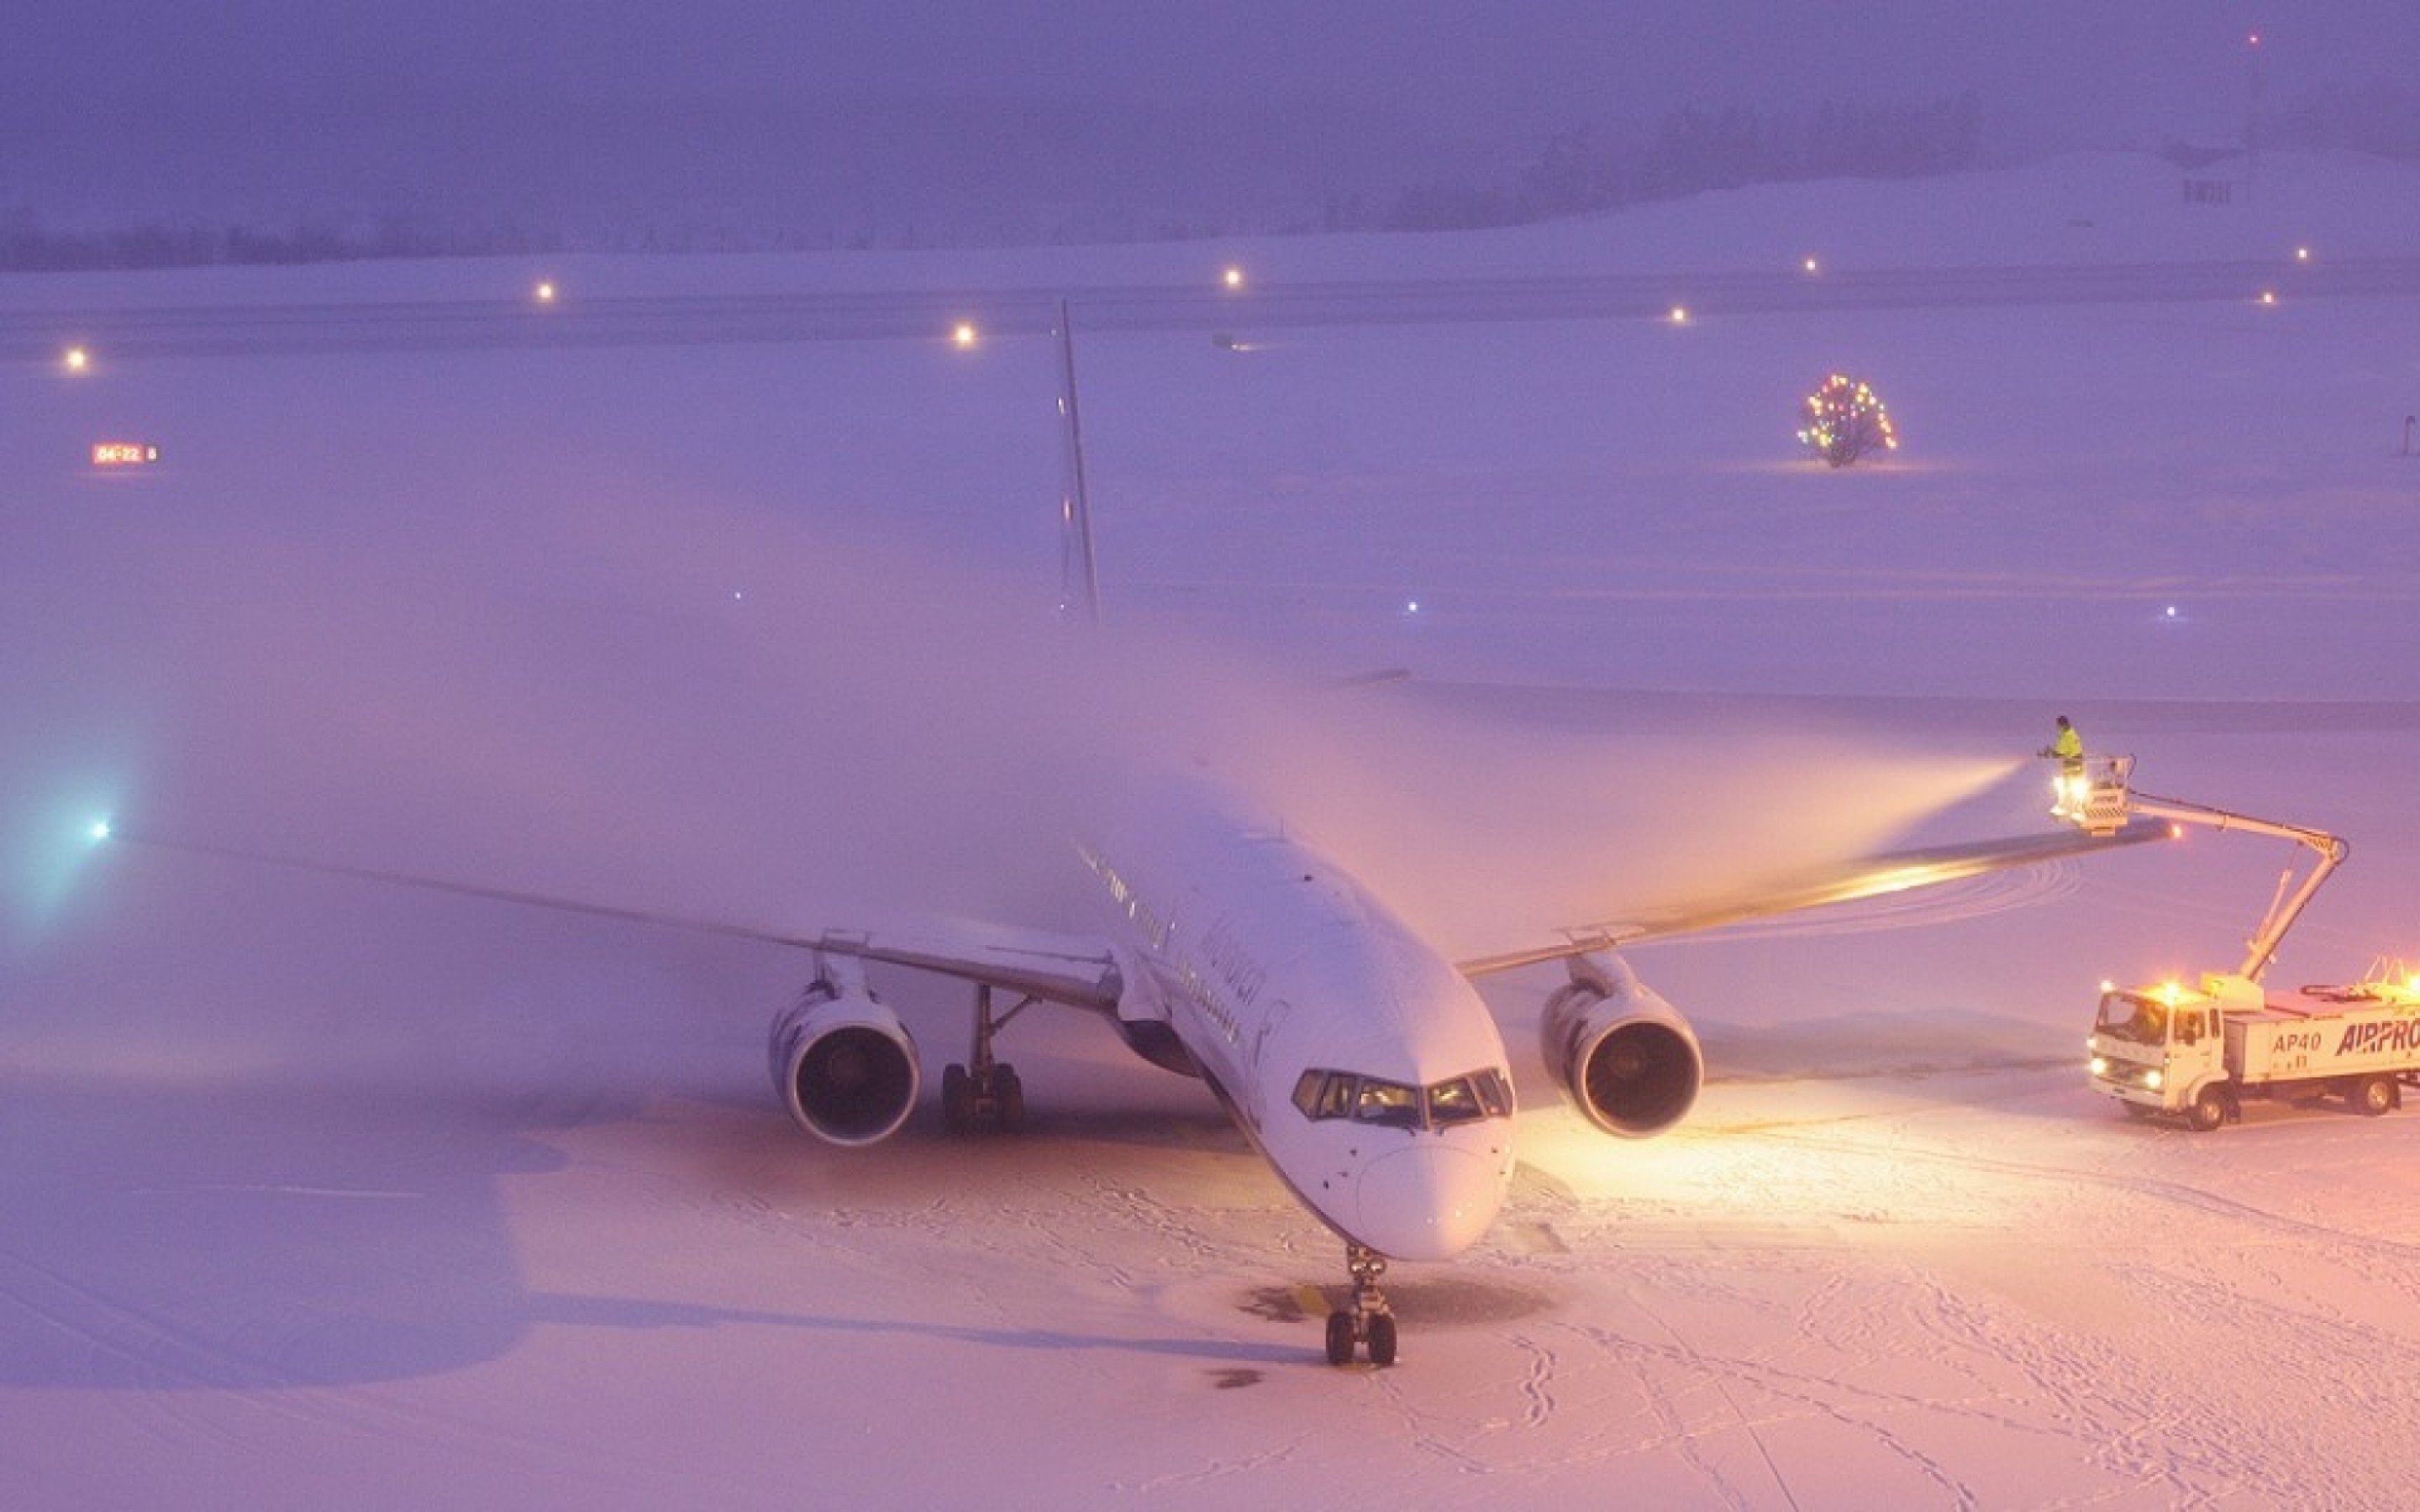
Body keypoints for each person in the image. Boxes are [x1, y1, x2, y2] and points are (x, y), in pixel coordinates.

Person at [2041, 715, 2086, 817]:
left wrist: (2048, 753)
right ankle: (2074, 808)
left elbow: (2059, 753)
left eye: (2058, 726)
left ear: (2062, 725)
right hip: (2076, 761)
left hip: (2072, 763)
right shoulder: (2071, 733)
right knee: (2072, 785)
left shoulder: (2067, 736)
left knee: (2069, 786)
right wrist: (2051, 752)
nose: (2057, 728)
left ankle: (2072, 808)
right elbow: (2061, 750)